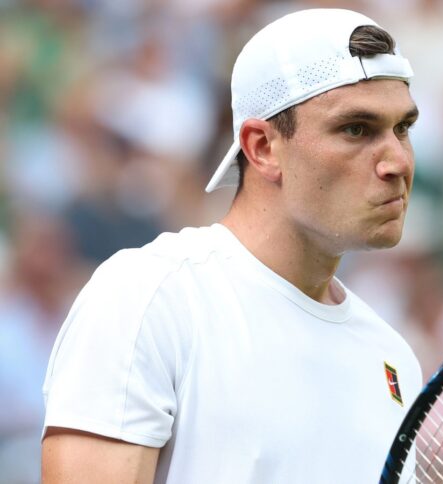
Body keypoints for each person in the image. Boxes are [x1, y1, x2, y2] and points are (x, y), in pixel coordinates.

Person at [40, 8, 422, 483]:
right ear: (261, 147)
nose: (398, 162)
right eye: (356, 129)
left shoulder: (394, 359)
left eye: (403, 128)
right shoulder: (149, 298)